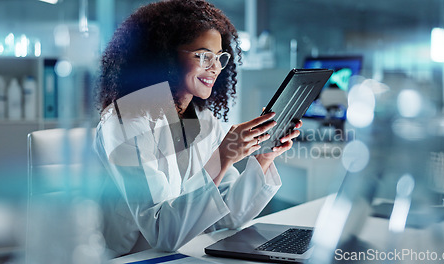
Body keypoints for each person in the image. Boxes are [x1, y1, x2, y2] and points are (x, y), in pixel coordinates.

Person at [94, 0, 302, 258]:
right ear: (165, 56)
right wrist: (223, 156)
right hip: (132, 258)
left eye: (219, 57)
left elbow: (229, 215)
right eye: (203, 56)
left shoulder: (202, 119)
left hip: (187, 253)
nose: (214, 67)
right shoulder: (126, 121)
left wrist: (263, 158)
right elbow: (162, 233)